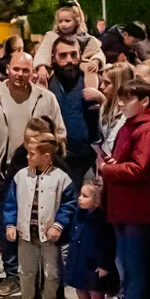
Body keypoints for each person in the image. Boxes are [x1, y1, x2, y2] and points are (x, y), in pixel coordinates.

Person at [0, 51, 64, 293]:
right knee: (7, 227)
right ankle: (12, 276)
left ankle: (41, 280)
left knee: (40, 227)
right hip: (3, 175)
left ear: (33, 71)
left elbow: (60, 133)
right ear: (7, 69)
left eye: (26, 70)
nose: (21, 75)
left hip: (40, 175)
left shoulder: (47, 98)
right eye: (16, 69)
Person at [95, 79, 150, 299]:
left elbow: (141, 169)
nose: (123, 103)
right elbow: (132, 163)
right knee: (126, 266)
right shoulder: (131, 126)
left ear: (145, 102)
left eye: (128, 99)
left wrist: (108, 169)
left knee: (134, 268)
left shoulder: (149, 130)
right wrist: (115, 164)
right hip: (125, 207)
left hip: (140, 209)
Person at [2, 129, 77, 299]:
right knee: (26, 270)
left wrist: (59, 225)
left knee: (52, 271)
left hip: (49, 235)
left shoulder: (62, 178)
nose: (27, 156)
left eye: (32, 154)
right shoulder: (20, 176)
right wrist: (10, 224)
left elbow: (69, 205)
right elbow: (11, 203)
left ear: (46, 156)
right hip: (26, 233)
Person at [46, 37, 104, 187]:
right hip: (55, 159)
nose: (69, 60)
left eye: (74, 55)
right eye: (63, 55)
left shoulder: (91, 81)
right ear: (53, 58)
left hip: (86, 158)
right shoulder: (46, 84)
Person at [64, 181, 114, 299]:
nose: (80, 198)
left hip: (93, 261)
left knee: (95, 290)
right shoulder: (79, 214)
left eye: (85, 196)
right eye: (80, 194)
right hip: (78, 258)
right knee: (80, 287)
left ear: (97, 200)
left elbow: (107, 244)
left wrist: (104, 264)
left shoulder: (102, 220)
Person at [34, 3, 104, 74]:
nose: (63, 24)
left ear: (77, 21)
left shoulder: (86, 38)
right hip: (55, 71)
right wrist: (41, 66)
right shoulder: (51, 37)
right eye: (60, 21)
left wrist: (96, 61)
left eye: (67, 21)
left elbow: (97, 52)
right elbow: (42, 53)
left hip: (79, 70)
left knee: (91, 72)